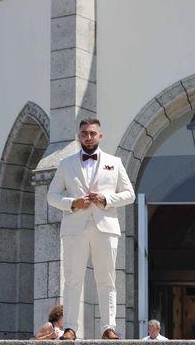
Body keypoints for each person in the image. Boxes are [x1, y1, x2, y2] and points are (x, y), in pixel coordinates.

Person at [47, 118, 135, 340]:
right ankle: (69, 328)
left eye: (92, 133)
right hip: (75, 227)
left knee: (107, 280)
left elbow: (129, 194)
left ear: (100, 136)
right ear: (79, 136)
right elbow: (51, 196)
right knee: (72, 279)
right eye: (84, 133)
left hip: (105, 227)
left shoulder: (114, 162)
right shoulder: (66, 164)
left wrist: (106, 198)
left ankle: (108, 327)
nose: (88, 136)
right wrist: (73, 203)